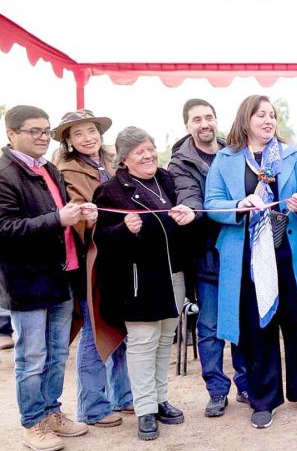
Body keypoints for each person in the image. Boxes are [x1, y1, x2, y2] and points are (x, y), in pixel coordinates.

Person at [204, 95, 297, 429]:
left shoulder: (292, 155)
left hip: (289, 251)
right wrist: (239, 204)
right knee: (257, 329)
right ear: (246, 119)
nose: (268, 120)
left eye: (272, 115)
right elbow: (211, 203)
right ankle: (262, 399)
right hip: (246, 255)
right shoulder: (225, 160)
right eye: (261, 115)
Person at [0, 105, 93, 451]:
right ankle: (32, 423)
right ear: (12, 134)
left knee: (57, 354)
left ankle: (52, 412)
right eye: (34, 131)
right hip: (27, 282)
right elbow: (4, 230)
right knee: (32, 357)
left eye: (46, 130)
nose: (42, 137)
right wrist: (58, 218)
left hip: (61, 276)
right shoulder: (4, 173)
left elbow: (62, 215)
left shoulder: (48, 168)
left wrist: (80, 212)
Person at [92, 126, 194, 441]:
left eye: (150, 148)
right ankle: (145, 409)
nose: (148, 155)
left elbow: (182, 223)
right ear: (124, 160)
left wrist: (185, 217)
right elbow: (99, 241)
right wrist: (124, 230)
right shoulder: (110, 191)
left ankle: (161, 399)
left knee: (166, 339)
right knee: (143, 342)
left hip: (172, 274)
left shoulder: (166, 180)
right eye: (140, 152)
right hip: (137, 283)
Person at [167, 99, 249, 417]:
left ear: (217, 120)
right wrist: (213, 208)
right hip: (207, 255)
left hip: (241, 250)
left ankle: (245, 384)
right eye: (196, 119)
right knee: (211, 326)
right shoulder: (180, 164)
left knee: (242, 322)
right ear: (187, 126)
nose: (205, 124)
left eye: (209, 117)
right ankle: (217, 390)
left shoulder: (236, 151)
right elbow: (193, 201)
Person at [51, 109, 132, 429]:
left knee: (121, 328)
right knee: (94, 330)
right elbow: (73, 215)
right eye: (79, 134)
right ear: (69, 141)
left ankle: (122, 396)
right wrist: (92, 218)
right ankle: (92, 406)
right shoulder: (67, 170)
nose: (88, 138)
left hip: (121, 255)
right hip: (92, 260)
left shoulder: (113, 162)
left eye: (91, 131)